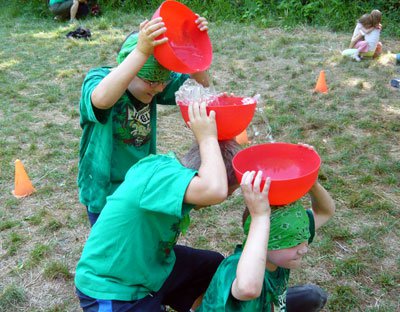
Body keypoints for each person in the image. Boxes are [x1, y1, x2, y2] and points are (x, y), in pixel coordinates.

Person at [75, 101, 242, 312]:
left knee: (213, 266)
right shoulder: (159, 178)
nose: (220, 200)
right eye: (228, 194)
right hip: (112, 287)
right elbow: (215, 189)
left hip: (153, 266)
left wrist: (227, 117)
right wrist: (207, 137)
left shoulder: (174, 173)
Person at [77, 16, 210, 226]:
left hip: (139, 186)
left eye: (163, 81)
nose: (159, 88)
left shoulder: (154, 87)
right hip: (104, 193)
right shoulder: (98, 80)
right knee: (112, 251)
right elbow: (101, 100)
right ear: (130, 69)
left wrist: (190, 48)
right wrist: (141, 52)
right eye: (151, 81)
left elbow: (202, 86)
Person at [198, 150, 336, 312]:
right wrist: (259, 217)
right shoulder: (234, 267)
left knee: (314, 296)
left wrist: (312, 184)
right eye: (292, 243)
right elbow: (247, 289)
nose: (304, 248)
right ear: (263, 241)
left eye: (304, 237)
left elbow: (324, 212)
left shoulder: (280, 256)